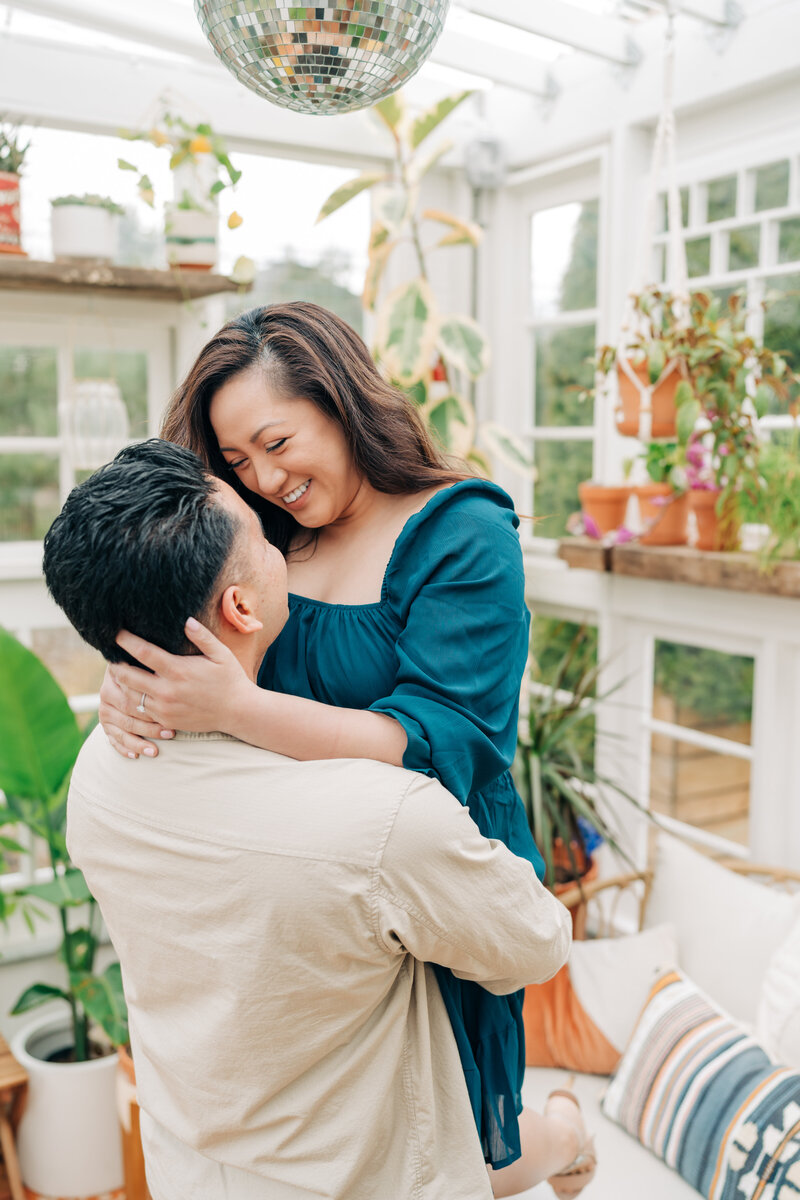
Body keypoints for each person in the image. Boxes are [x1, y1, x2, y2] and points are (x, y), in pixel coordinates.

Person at [97, 303, 596, 1195]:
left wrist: (238, 709)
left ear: (340, 400)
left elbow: (436, 739)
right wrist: (133, 686)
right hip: (307, 872)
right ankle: (551, 1140)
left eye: (277, 442)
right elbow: (201, 629)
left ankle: (559, 1139)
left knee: (437, 1122)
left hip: (428, 862)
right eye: (240, 462)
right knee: (359, 1124)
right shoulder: (265, 538)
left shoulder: (460, 532)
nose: (266, 478)